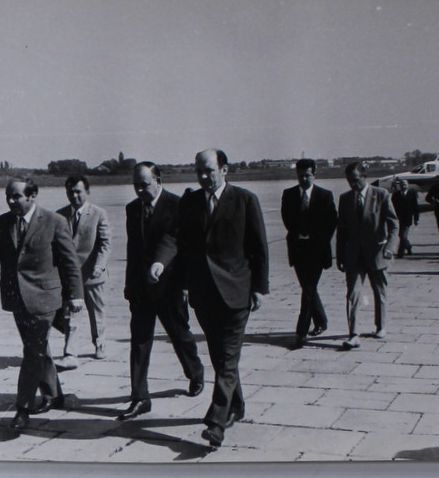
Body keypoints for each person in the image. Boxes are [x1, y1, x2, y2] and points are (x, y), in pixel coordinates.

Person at [166, 149, 268, 447]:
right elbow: (184, 247)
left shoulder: (246, 200)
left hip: (237, 291)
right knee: (219, 356)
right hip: (204, 292)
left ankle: (216, 421)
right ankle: (236, 405)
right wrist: (184, 285)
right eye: (198, 170)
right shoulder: (192, 202)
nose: (203, 176)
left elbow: (259, 247)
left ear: (225, 170)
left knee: (227, 359)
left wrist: (259, 288)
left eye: (208, 170)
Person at [0, 178, 84, 431]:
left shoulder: (55, 222)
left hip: (45, 298)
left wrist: (76, 296)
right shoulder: (1, 223)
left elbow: (70, 262)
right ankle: (55, 395)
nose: (11, 201)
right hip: (16, 299)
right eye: (8, 196)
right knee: (37, 347)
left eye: (16, 197)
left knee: (32, 352)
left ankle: (22, 409)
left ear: (32, 196)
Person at [119, 162, 205, 420]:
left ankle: (195, 371)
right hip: (141, 290)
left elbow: (180, 244)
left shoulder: (177, 205)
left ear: (158, 180)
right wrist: (129, 285)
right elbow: (133, 252)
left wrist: (187, 284)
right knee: (140, 341)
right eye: (135, 185)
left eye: (144, 185)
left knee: (180, 335)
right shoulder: (132, 209)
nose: (139, 191)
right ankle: (140, 397)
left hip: (171, 287)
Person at [336, 162, 399, 349]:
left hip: (377, 253)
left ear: (364, 177)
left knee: (380, 291)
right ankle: (353, 334)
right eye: (349, 181)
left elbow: (394, 225)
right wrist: (340, 256)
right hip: (354, 255)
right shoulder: (345, 199)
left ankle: (381, 326)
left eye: (355, 180)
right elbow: (342, 230)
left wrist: (390, 247)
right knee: (353, 294)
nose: (352, 185)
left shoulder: (381, 195)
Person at [54, 175, 111, 369]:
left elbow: (105, 243)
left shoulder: (98, 214)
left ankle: (100, 343)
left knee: (97, 312)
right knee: (71, 314)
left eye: (78, 191)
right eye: (70, 192)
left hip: (93, 274)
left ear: (87, 192)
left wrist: (99, 265)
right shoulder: (59, 215)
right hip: (70, 276)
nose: (74, 195)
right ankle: (70, 353)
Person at [280, 158, 337, 349]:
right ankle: (321, 320)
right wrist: (300, 233)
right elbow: (287, 218)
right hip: (298, 250)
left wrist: (314, 235)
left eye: (308, 175)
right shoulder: (288, 195)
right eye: (301, 176)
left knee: (308, 289)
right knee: (308, 288)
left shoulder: (324, 195)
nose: (304, 179)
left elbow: (331, 222)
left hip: (317, 250)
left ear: (315, 175)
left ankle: (301, 332)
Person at [390, 179, 419, 258]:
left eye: (405, 184)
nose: (404, 186)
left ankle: (400, 253)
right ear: (400, 186)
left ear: (408, 185)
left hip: (407, 219)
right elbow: (392, 207)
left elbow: (415, 207)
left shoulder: (412, 194)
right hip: (398, 218)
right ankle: (408, 246)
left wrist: (416, 219)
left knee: (403, 236)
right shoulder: (395, 195)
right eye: (402, 185)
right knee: (401, 235)